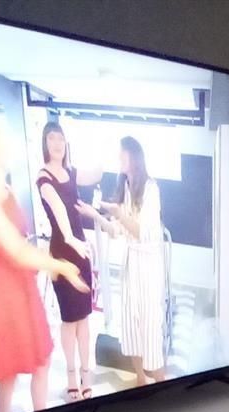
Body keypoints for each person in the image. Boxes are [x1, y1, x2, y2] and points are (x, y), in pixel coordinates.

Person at [0, 122, 88, 412]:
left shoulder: (7, 188)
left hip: (23, 284)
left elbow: (22, 242)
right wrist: (58, 265)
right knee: (8, 371)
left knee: (41, 360)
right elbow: (17, 251)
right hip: (3, 289)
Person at [77, 136, 167, 387]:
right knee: (131, 324)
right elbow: (116, 230)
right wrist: (95, 214)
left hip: (148, 266)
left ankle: (161, 381)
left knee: (149, 326)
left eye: (122, 155)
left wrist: (119, 214)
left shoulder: (150, 188)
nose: (119, 160)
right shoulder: (125, 187)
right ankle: (140, 379)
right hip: (130, 264)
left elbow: (143, 232)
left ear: (134, 156)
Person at [35, 122, 102, 401]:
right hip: (62, 250)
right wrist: (70, 239)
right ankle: (72, 376)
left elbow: (98, 172)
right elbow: (59, 208)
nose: (57, 143)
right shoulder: (43, 176)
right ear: (45, 143)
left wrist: (95, 137)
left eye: (61, 138)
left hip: (81, 249)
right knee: (69, 318)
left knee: (84, 317)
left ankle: (87, 373)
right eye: (52, 138)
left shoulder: (72, 172)